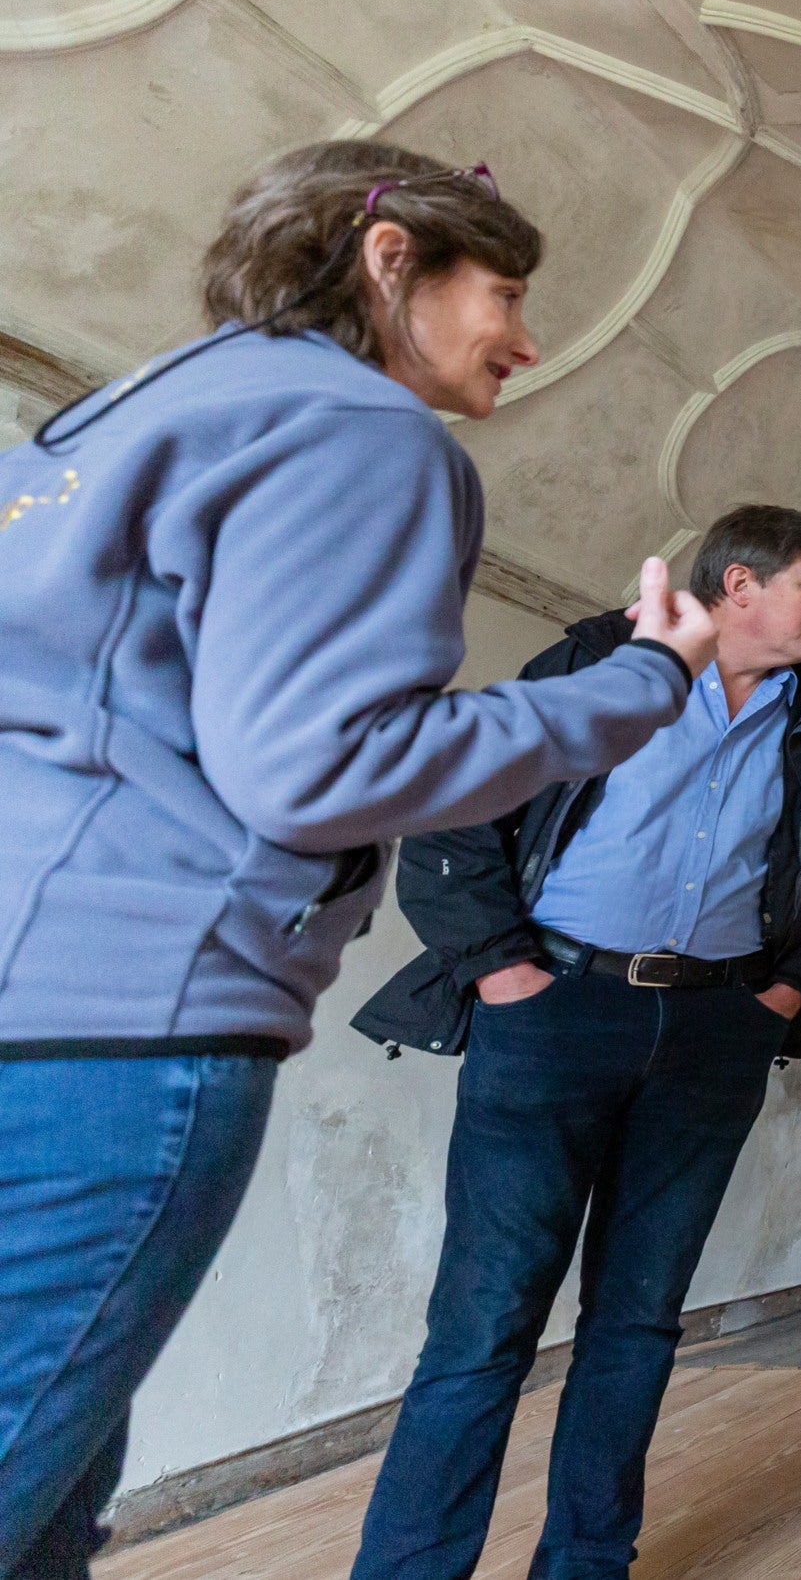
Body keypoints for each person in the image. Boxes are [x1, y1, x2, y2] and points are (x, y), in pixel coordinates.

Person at [0, 140, 717, 1579]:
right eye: (504, 292)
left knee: (54, 1492)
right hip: (129, 1017)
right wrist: (640, 684)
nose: (525, 338)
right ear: (393, 264)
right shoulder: (362, 433)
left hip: (32, 986)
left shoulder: (108, 421)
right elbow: (320, 763)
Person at [348, 506, 801, 1579]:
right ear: (738, 585)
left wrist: (777, 995)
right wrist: (506, 972)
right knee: (485, 1325)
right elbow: (452, 808)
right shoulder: (598, 670)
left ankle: (586, 1563)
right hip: (556, 1012)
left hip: (715, 1028)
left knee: (637, 1321)